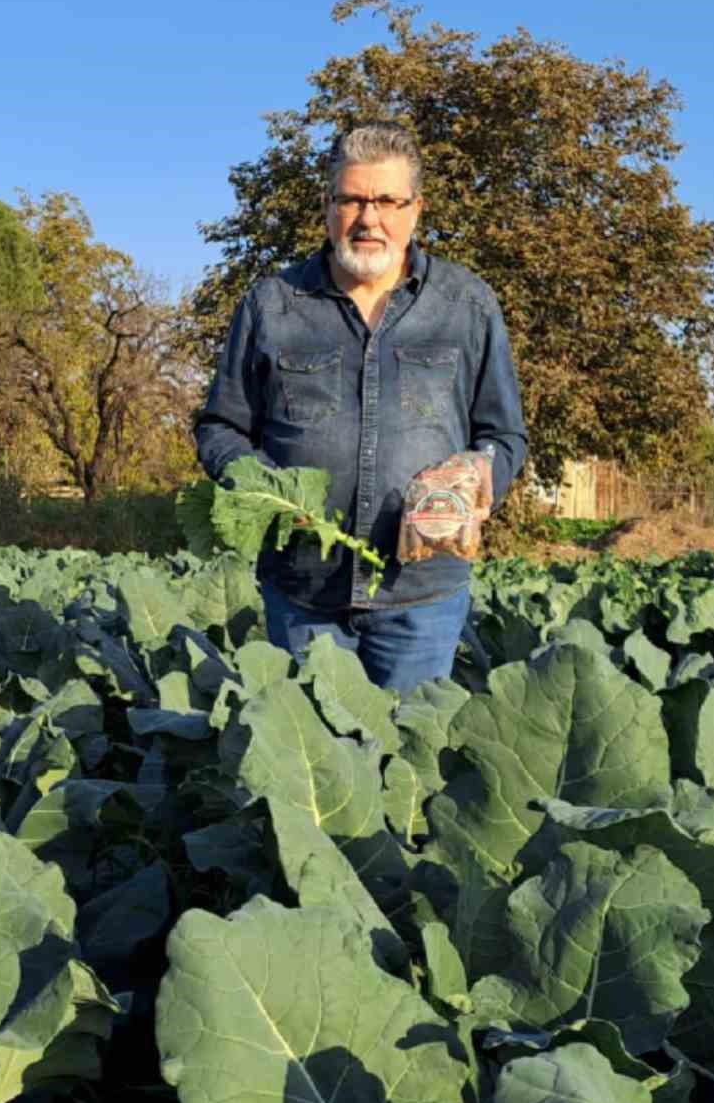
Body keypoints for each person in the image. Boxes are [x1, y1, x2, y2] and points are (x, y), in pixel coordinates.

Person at [194, 123, 528, 692]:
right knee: (316, 762)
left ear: (415, 210)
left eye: (388, 201)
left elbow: (504, 434)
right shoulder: (273, 304)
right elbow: (221, 426)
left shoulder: (465, 305)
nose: (369, 218)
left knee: (410, 757)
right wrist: (266, 490)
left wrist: (480, 470)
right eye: (352, 199)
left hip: (423, 593)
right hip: (303, 592)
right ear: (328, 206)